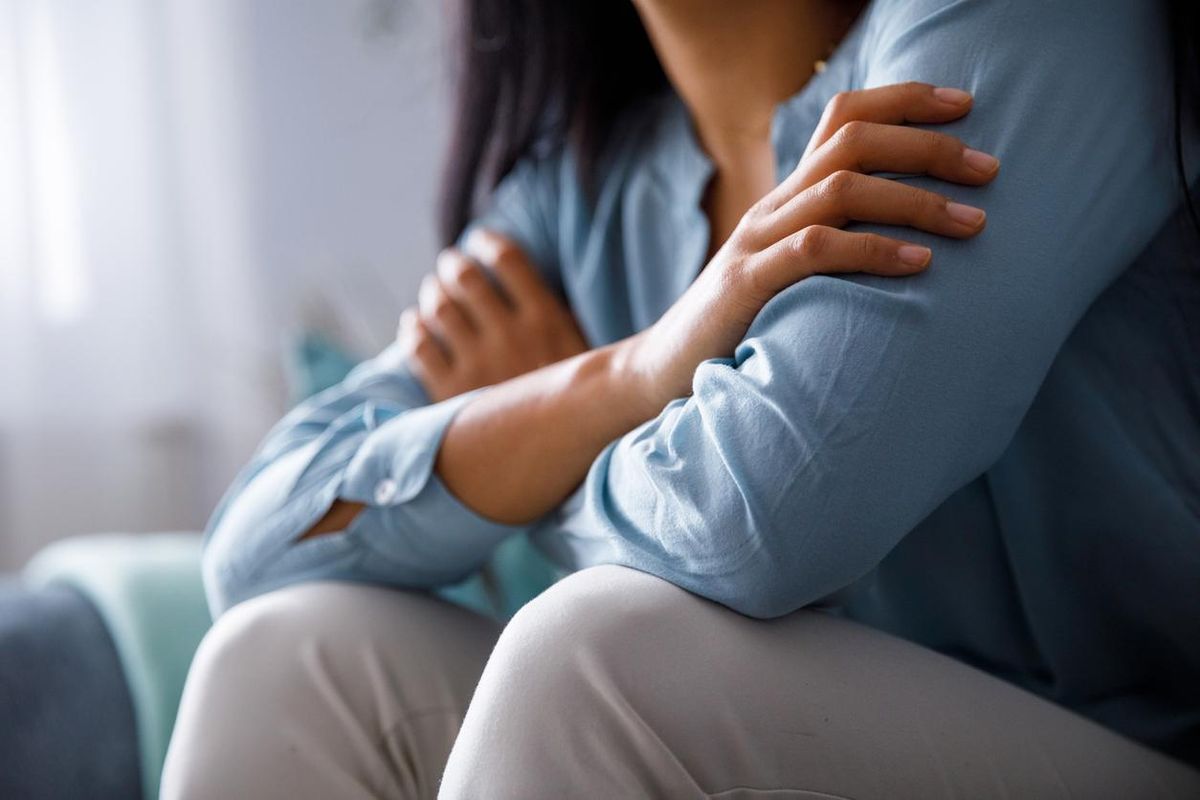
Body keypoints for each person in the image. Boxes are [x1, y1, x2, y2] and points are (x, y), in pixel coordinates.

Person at [161, 0, 1200, 797]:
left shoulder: (1012, 31)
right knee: (284, 652)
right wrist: (627, 372)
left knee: (594, 656)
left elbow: (764, 518)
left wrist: (530, 450)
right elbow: (256, 548)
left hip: (1129, 749)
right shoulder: (577, 194)